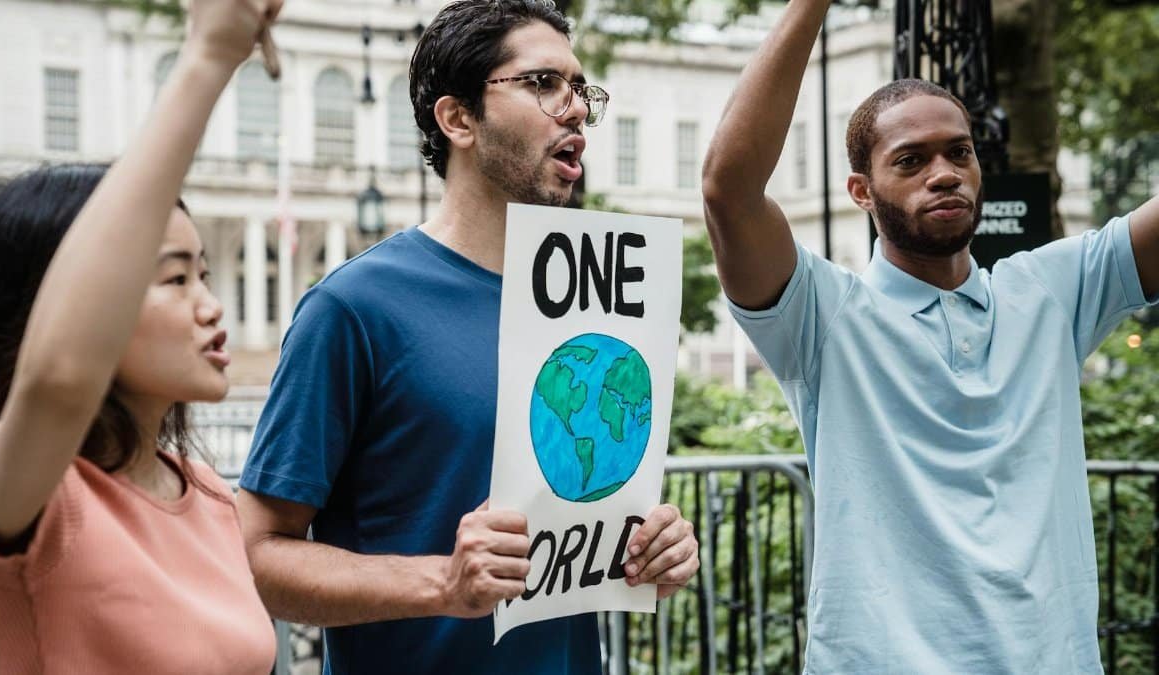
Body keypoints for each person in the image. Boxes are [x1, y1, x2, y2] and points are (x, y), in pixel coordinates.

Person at [235, 1, 700, 673]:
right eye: (542, 84)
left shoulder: (596, 306)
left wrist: (653, 545)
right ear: (457, 119)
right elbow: (257, 554)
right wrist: (442, 583)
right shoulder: (354, 307)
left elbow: (589, 511)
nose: (573, 110)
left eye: (579, 91)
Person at [701, 1, 1159, 672]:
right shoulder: (825, 316)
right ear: (862, 190)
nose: (944, 172)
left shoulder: (1050, 290)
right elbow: (728, 190)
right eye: (911, 160)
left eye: (960, 152)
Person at [0, 0, 283, 672]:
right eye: (172, 279)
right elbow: (59, 379)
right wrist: (209, 58)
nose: (212, 306)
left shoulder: (209, 492)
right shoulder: (16, 491)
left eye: (204, 272)